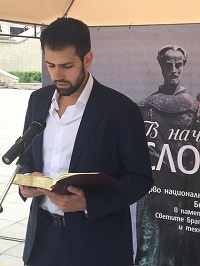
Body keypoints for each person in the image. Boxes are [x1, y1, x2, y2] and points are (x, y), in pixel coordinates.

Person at [19, 17, 153, 266]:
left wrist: (88, 202)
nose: (57, 76)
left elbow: (140, 178)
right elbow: (28, 157)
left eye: (67, 66)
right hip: (42, 241)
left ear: (87, 59)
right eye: (50, 65)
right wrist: (27, 183)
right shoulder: (37, 100)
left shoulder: (121, 110)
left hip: (97, 245)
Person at [135, 45, 200, 266]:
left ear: (183, 66)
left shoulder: (194, 109)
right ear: (161, 65)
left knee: (178, 250)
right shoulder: (145, 107)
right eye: (169, 64)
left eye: (178, 64)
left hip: (182, 193)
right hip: (153, 193)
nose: (174, 69)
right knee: (149, 250)